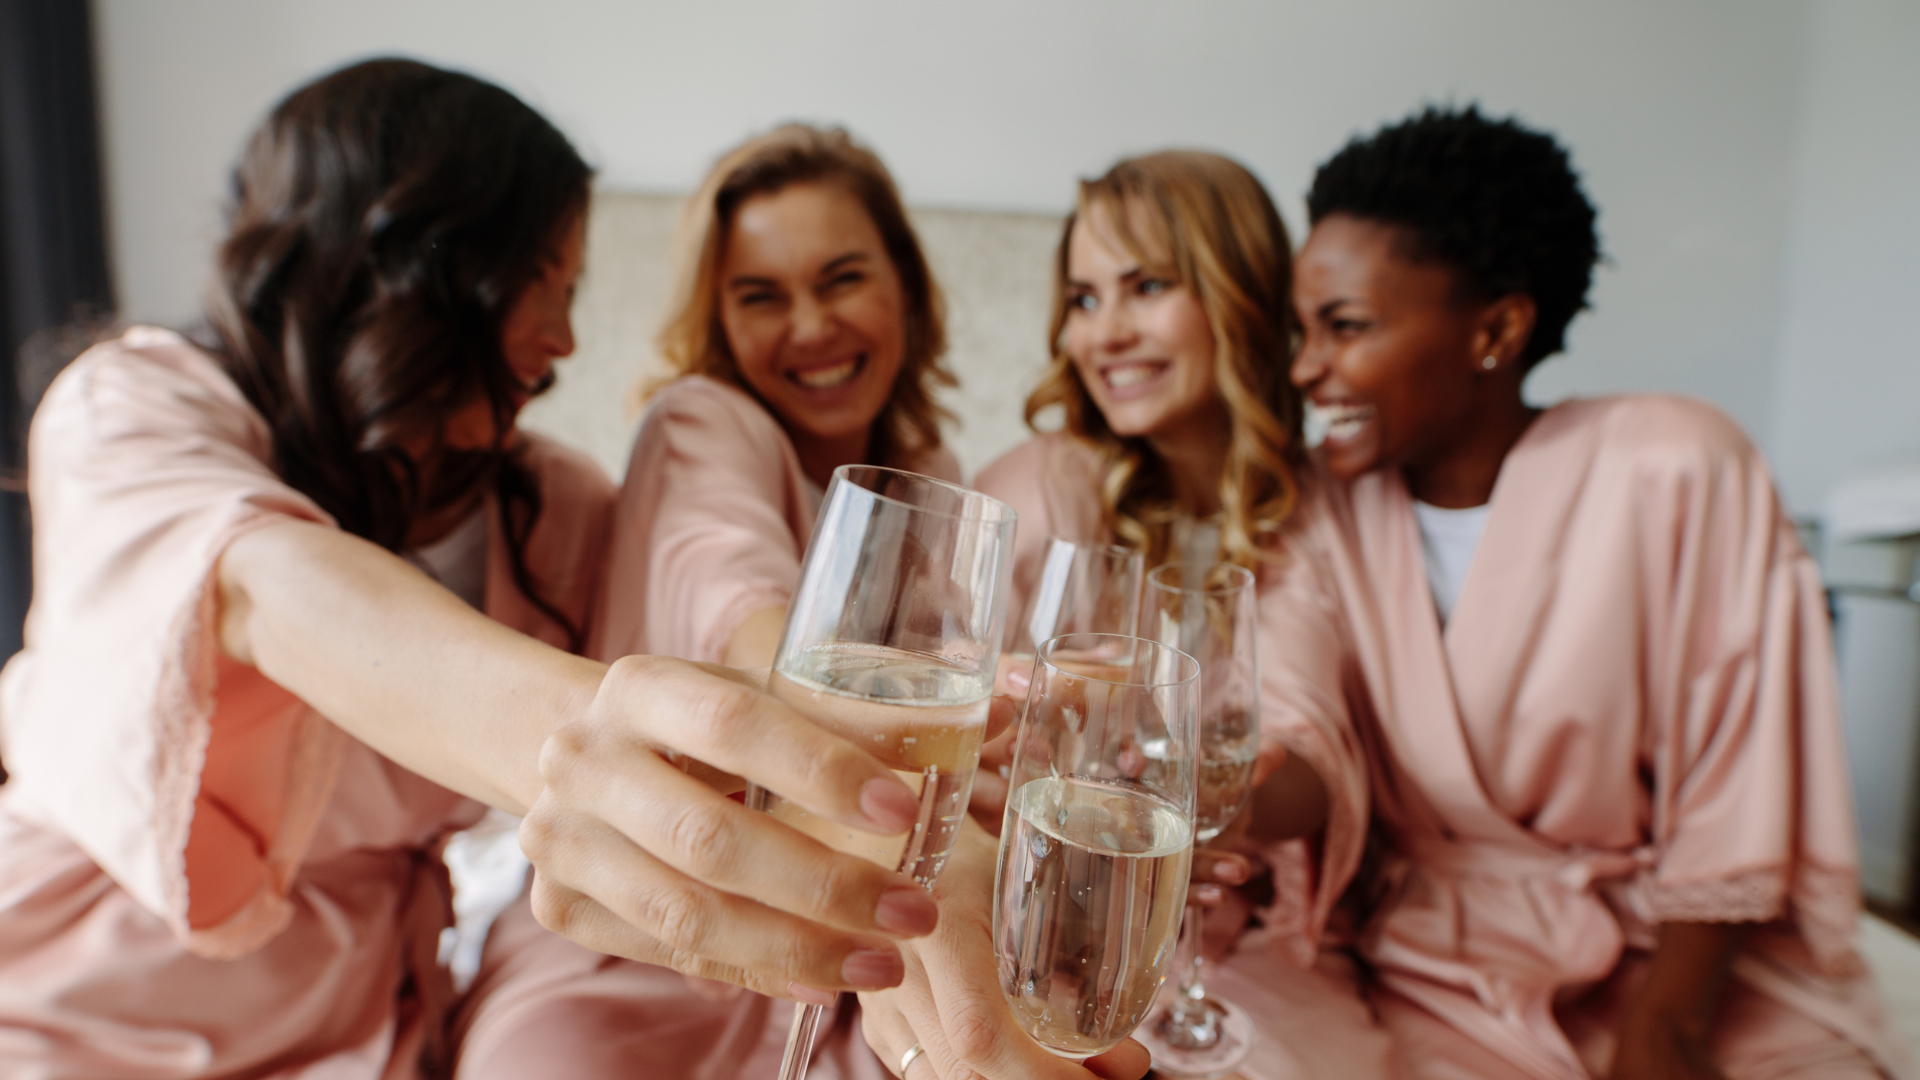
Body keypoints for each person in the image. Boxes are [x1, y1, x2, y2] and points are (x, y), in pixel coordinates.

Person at [0, 60, 943, 1079]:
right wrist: (586, 736)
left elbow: (690, 583)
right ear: (421, 263)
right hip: (86, 989)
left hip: (364, 1016)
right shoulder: (133, 408)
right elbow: (267, 591)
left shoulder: (551, 510)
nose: (567, 339)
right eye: (546, 278)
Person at [1270, 104, 1912, 1080]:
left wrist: (1669, 1033)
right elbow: (1294, 720)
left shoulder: (1677, 464)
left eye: (1344, 327)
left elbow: (1736, 777)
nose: (1307, 368)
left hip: (1691, 966)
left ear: (1497, 329)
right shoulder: (1319, 509)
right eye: (1299, 330)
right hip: (1432, 969)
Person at [864, 150, 1402, 1079]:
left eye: (1145, 286)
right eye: (1082, 298)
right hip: (1012, 904)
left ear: (1239, 294)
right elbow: (916, 712)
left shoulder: (1316, 508)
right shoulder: (1042, 482)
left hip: (1216, 924)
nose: (1104, 331)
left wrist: (1219, 805)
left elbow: (1312, 755)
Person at [593, 123, 961, 672]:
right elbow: (736, 604)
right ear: (720, 320)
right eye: (762, 298)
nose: (810, 330)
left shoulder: (926, 467)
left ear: (903, 282)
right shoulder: (696, 422)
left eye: (842, 280)